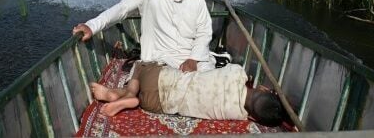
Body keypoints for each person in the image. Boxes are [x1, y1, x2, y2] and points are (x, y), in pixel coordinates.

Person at [72, 0, 215, 72]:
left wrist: (193, 59)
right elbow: (122, 8)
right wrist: (91, 26)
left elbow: (204, 32)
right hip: (161, 60)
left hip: (194, 59)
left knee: (213, 78)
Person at [90, 63, 286, 127]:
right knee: (143, 98)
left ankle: (127, 93)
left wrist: (250, 80)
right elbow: (257, 112)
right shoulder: (237, 114)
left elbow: (239, 76)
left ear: (261, 89)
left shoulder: (237, 71)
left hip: (161, 78)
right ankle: (129, 98)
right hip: (156, 103)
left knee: (142, 66)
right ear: (252, 117)